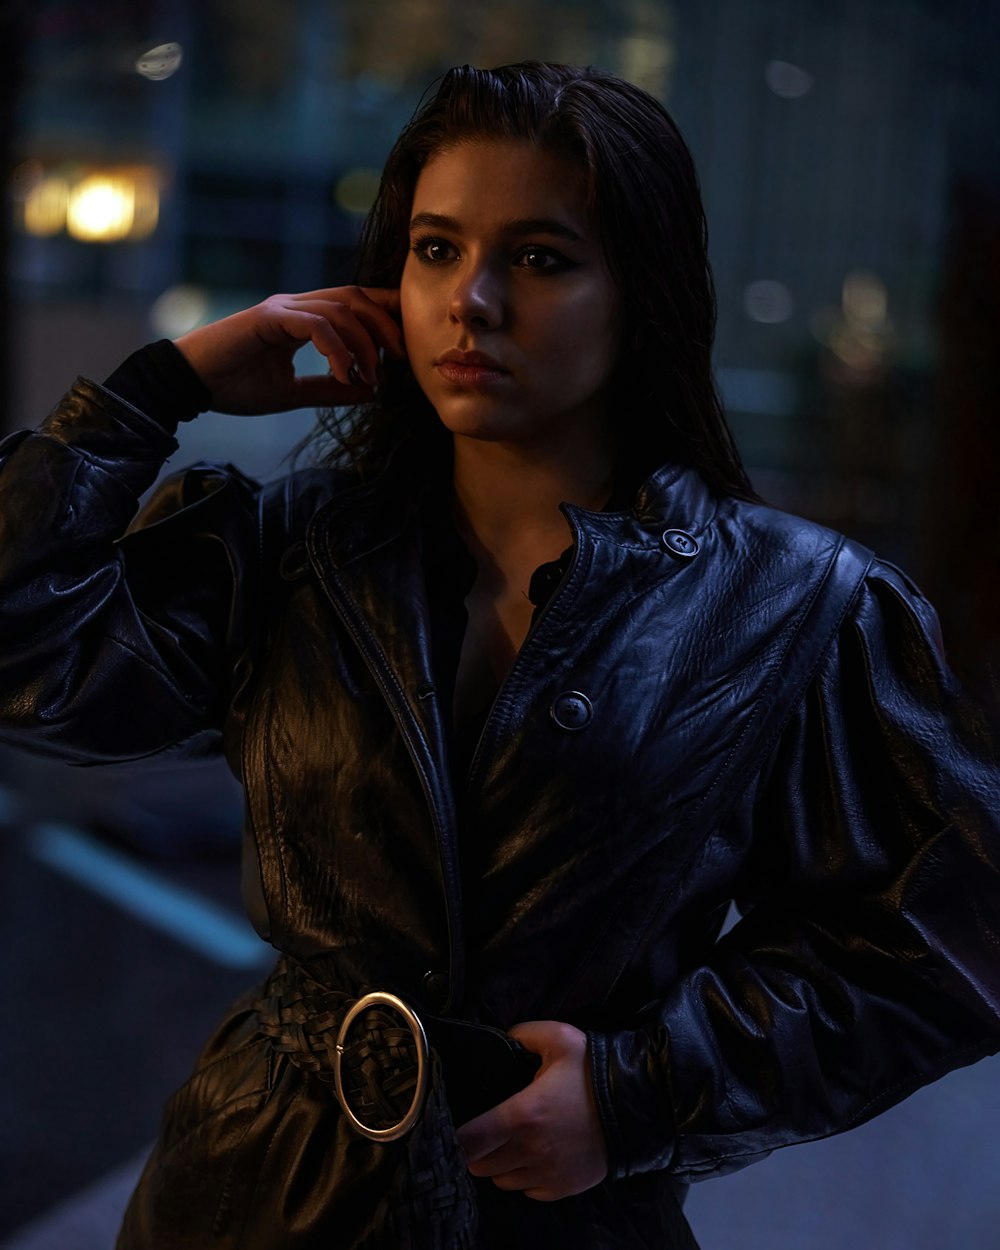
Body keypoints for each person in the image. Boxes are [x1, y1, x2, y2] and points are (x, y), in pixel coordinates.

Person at [1, 61, 999, 1250]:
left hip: (557, 1207)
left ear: (644, 291)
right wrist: (152, 391)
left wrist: (641, 1088)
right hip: (250, 1186)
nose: (469, 300)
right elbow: (27, 652)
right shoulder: (295, 546)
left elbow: (953, 939)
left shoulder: (794, 602)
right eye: (434, 248)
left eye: (538, 257)